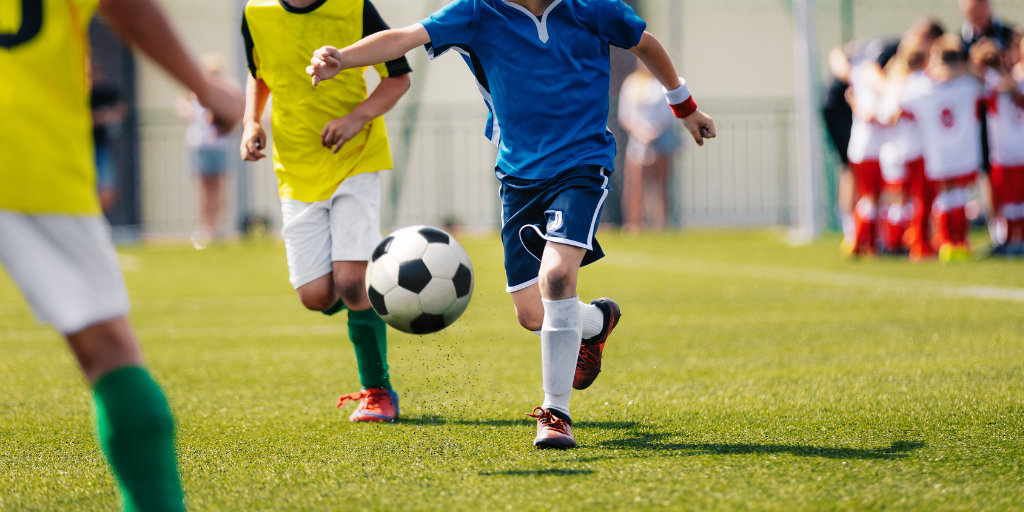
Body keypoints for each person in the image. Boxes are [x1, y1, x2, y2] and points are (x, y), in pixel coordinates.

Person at [307, 0, 716, 449]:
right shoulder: (477, 12)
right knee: (532, 315)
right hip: (518, 178)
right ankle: (598, 321)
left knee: (558, 277)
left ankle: (555, 412)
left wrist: (684, 105)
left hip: (582, 164)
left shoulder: (591, 8)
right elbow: (404, 37)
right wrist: (343, 58)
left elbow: (645, 44)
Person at [0, 0, 244, 510]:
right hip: (26, 146)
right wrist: (207, 87)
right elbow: (126, 7)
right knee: (109, 352)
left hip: (31, 146)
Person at [240, 0, 412, 422]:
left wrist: (358, 117)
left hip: (355, 158)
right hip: (296, 168)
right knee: (316, 296)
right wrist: (251, 121)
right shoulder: (255, 13)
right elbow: (259, 74)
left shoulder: (353, 7)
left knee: (351, 282)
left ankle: (378, 392)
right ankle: (380, 297)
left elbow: (399, 78)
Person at [896, 35, 985, 263]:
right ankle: (960, 241)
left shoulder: (920, 87)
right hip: (964, 151)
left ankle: (945, 242)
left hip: (938, 153)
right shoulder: (969, 84)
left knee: (945, 196)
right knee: (959, 195)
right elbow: (989, 85)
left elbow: (902, 104)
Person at [618, 59, 684, 233]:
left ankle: (661, 225)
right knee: (634, 185)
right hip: (638, 143)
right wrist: (640, 131)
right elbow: (625, 114)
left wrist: (654, 131)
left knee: (661, 185)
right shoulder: (632, 83)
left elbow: (667, 114)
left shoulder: (662, 84)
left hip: (661, 141)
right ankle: (634, 225)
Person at [177, 54, 235, 249]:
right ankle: (204, 227)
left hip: (219, 146)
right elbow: (183, 111)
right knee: (203, 188)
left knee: (218, 188)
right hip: (199, 145)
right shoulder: (193, 93)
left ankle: (217, 227)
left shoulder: (226, 93)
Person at [979, 36, 1024, 256]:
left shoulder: (1015, 79)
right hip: (1003, 154)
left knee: (1019, 201)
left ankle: (1018, 240)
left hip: (1019, 153)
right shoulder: (992, 80)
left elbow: (1016, 93)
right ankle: (1006, 240)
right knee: (1005, 201)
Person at [91, 75, 128, 213]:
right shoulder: (77, 93)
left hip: (101, 148)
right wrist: (97, 117)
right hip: (78, 149)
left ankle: (94, 216)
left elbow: (122, 105)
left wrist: (112, 115)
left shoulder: (105, 92)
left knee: (108, 190)